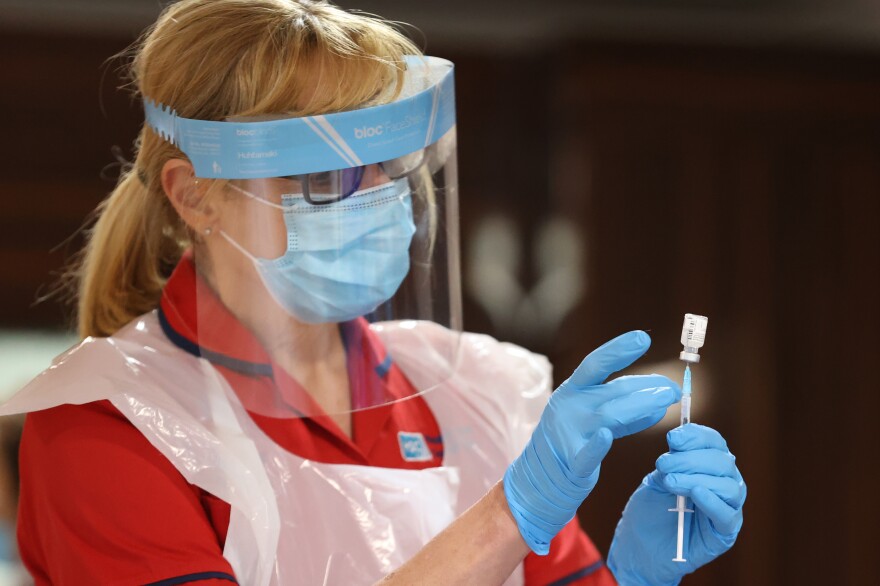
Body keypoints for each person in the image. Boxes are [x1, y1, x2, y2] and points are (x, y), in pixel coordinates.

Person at [1, 1, 746, 584]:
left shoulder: (473, 393)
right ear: (196, 197)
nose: (381, 200)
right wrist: (510, 517)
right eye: (325, 179)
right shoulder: (111, 423)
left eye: (394, 168)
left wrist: (631, 576)